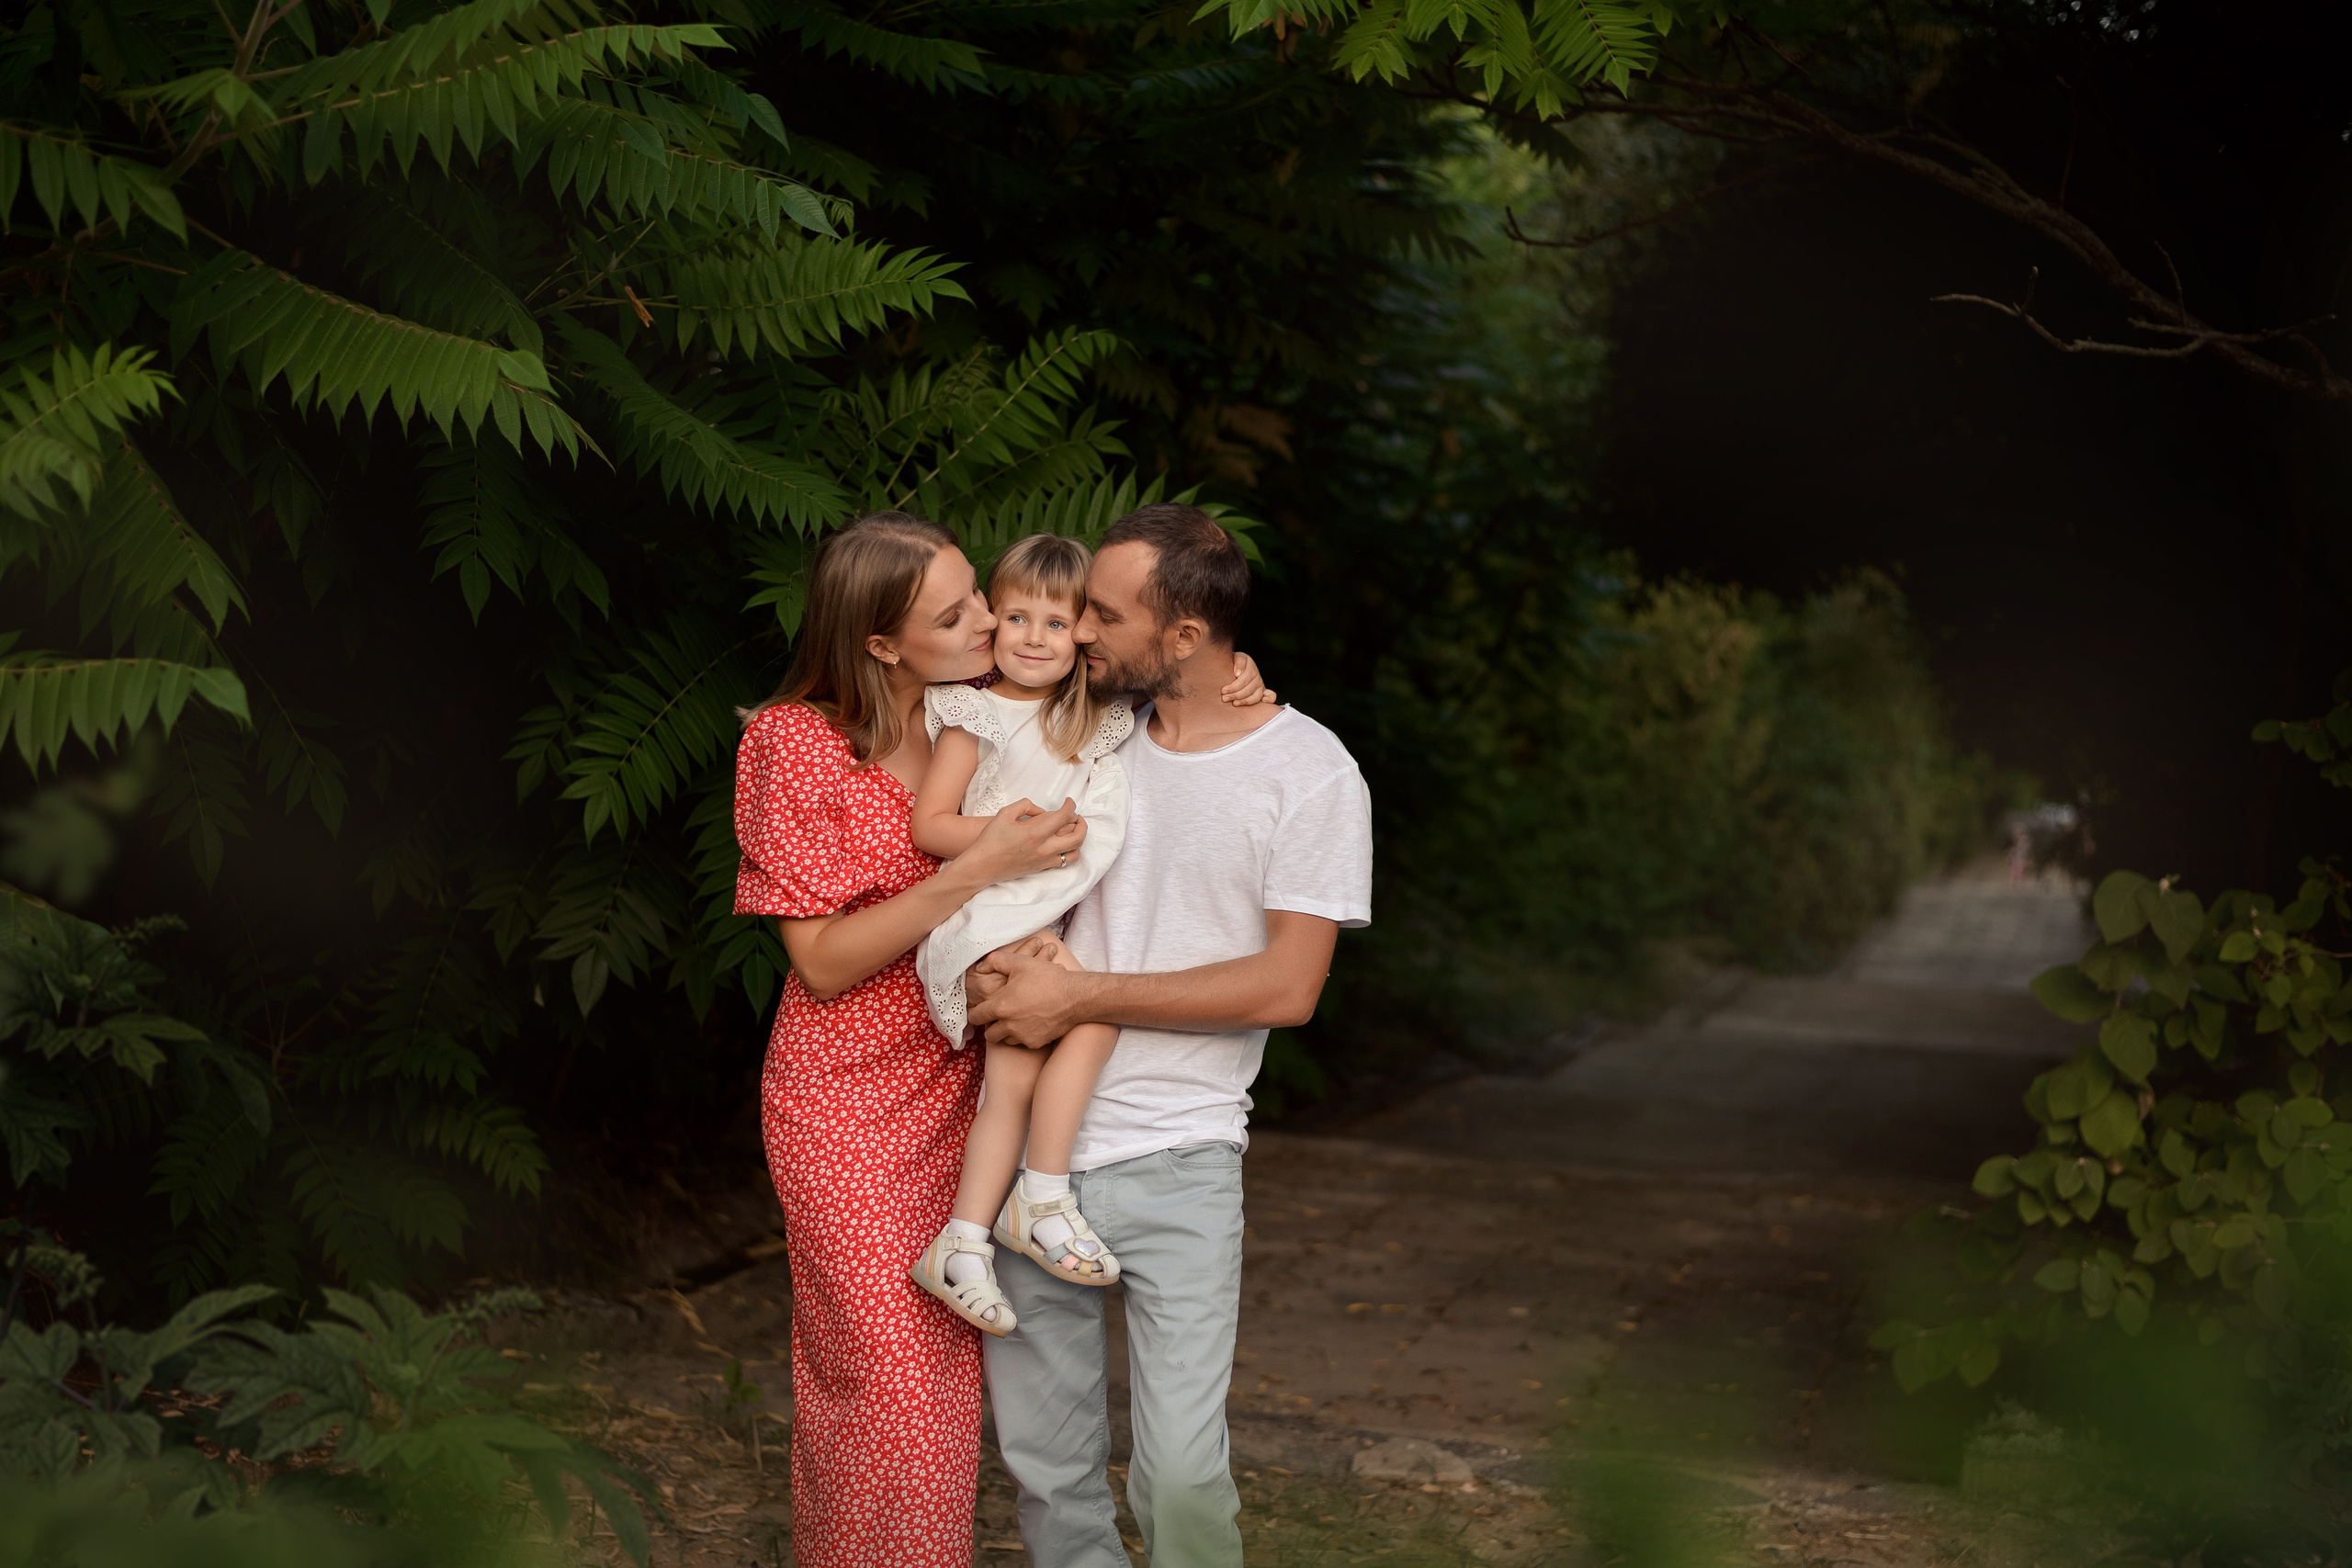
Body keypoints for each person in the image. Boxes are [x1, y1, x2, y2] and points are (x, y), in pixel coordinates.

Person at [966, 503, 1375, 1568]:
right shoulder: (1079, 734)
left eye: (1103, 613)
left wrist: (1083, 996)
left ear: (1185, 638)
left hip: (1181, 1157)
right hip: (1019, 1156)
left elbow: (1289, 988)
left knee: (1181, 1475)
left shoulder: (1311, 773)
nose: (1078, 629)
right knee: (1049, 1468)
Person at [730, 511, 1089, 1568]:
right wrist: (973, 871)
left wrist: (1241, 673)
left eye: (977, 592)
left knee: (936, 1378)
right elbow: (825, 962)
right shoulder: (793, 742)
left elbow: (1133, 667)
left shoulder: (989, 712)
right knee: (876, 1373)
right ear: (881, 643)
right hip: (841, 1093)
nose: (987, 618)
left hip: (966, 1090)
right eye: (954, 614)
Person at [904, 533, 1274, 1334]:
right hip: (980, 913)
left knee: (1012, 1078)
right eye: (1015, 617)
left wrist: (1241, 669)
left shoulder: (1097, 712)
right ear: (991, 625)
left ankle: (966, 1237)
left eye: (1057, 620)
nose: (1035, 637)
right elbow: (932, 827)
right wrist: (1011, 839)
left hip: (1029, 922)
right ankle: (1039, 1196)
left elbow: (1192, 681)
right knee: (1092, 1013)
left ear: (1083, 635)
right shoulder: (973, 711)